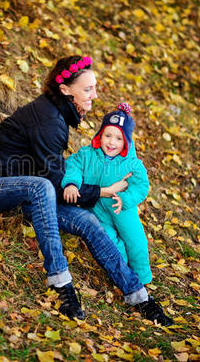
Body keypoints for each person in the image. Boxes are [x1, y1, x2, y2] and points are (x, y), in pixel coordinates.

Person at [0, 55, 172, 326]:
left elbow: (57, 176)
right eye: (88, 89)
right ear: (65, 89)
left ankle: (139, 295)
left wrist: (90, 194)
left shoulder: (57, 114)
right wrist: (102, 192)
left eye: (94, 88)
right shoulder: (47, 120)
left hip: (25, 189)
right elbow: (55, 182)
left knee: (87, 219)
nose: (94, 95)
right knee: (41, 188)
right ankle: (61, 284)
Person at [62, 103, 153, 286]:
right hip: (96, 209)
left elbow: (141, 185)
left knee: (135, 241)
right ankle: (124, 272)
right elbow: (73, 166)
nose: (112, 142)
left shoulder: (132, 164)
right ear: (100, 135)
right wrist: (71, 184)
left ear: (126, 142)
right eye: (108, 135)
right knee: (109, 240)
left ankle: (142, 279)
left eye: (119, 138)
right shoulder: (87, 154)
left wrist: (126, 199)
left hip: (122, 209)